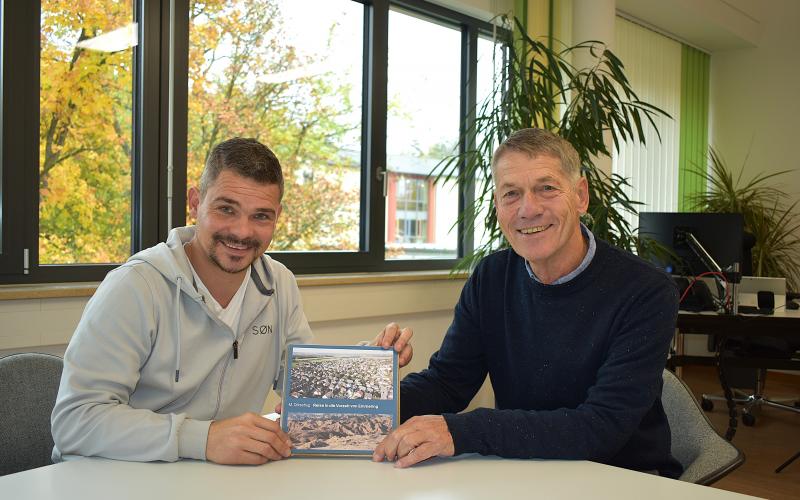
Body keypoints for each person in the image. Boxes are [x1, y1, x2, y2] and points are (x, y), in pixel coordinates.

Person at [51, 138, 412, 465]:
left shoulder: (279, 284)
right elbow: (75, 421)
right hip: (120, 478)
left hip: (221, 480)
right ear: (195, 202)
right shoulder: (135, 286)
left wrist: (371, 365)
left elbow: (301, 388)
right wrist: (203, 438)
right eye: (226, 209)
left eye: (261, 216)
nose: (242, 232)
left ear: (277, 217)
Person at [373, 128, 682, 478]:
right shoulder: (492, 276)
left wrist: (460, 431)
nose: (528, 209)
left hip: (623, 478)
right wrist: (371, 395)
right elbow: (448, 383)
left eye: (546, 188)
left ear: (580, 196)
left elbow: (603, 425)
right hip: (523, 471)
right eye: (511, 194)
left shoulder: (645, 290)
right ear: (497, 206)